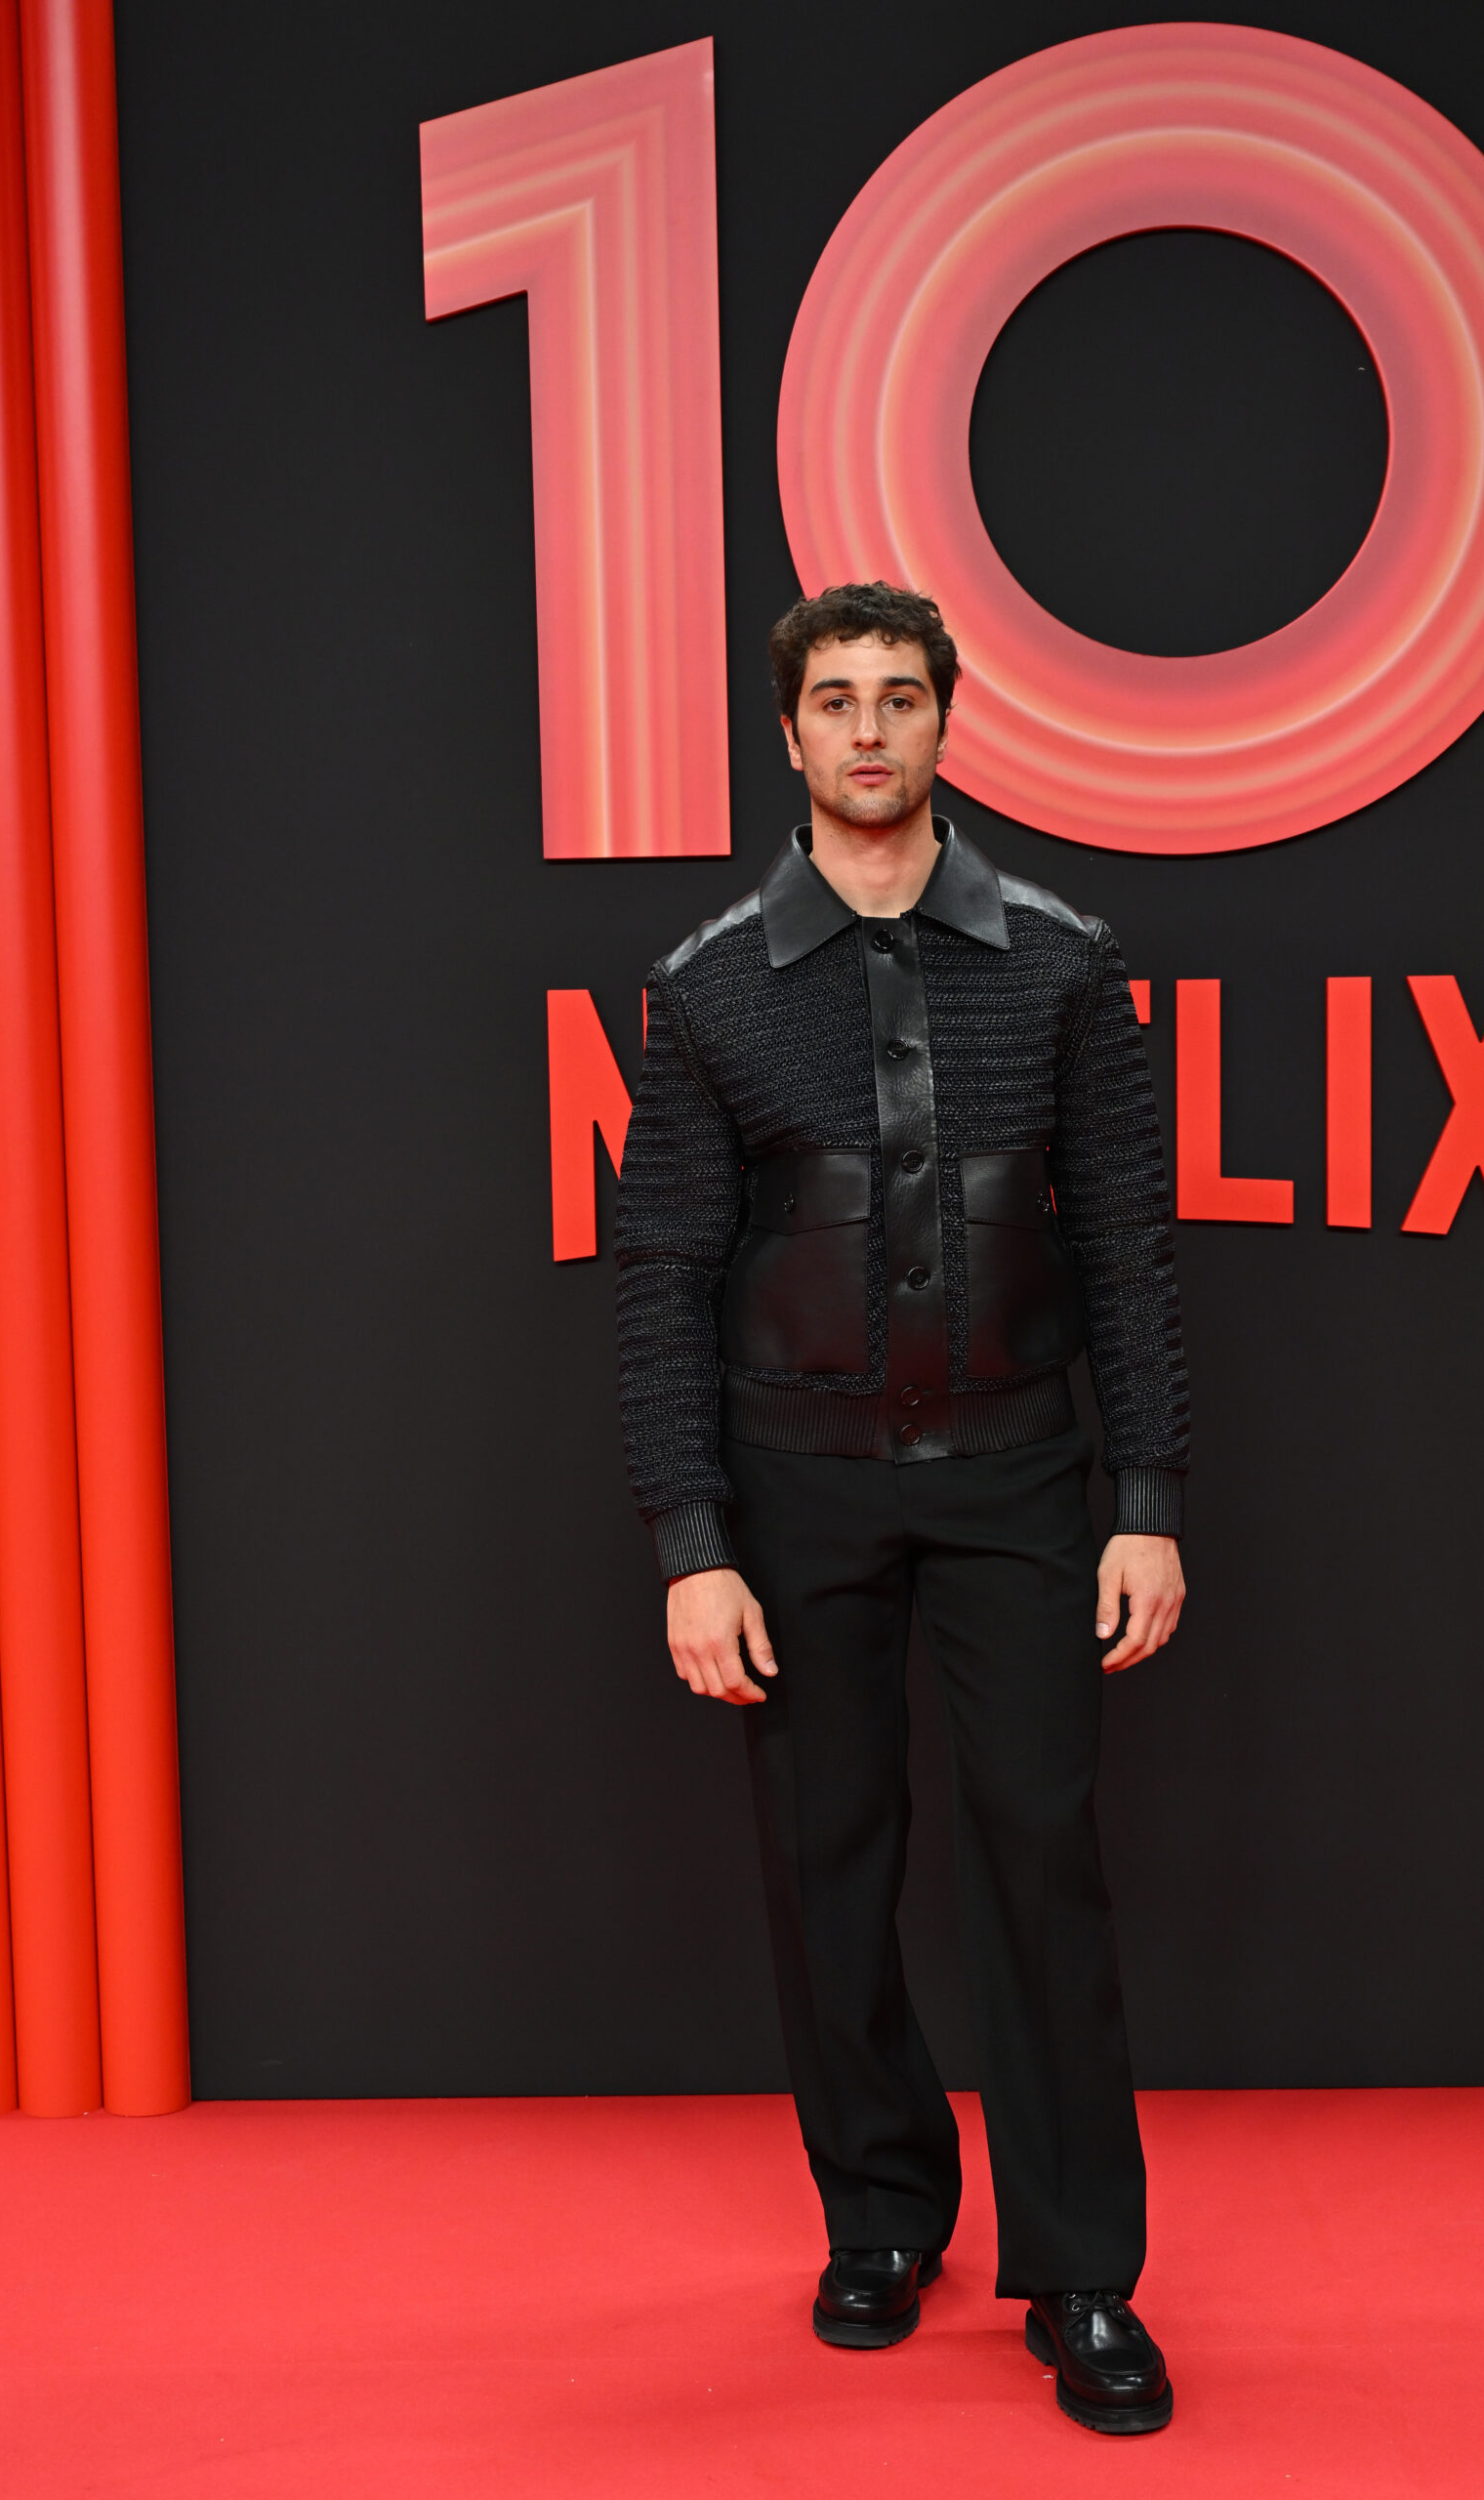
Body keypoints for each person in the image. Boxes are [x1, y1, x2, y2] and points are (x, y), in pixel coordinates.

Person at [614, 581, 1189, 2436]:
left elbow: (1130, 1249)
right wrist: (692, 1542)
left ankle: (1084, 2277)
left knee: (1045, 1859)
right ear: (787, 734)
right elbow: (663, 1272)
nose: (868, 730)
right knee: (828, 1866)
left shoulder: (1065, 962)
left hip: (1021, 1479)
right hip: (796, 1495)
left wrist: (1147, 1495)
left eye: (900, 698)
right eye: (836, 701)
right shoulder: (712, 985)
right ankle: (878, 2215)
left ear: (948, 720)